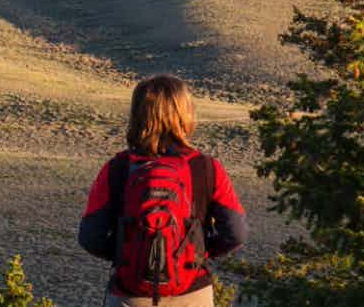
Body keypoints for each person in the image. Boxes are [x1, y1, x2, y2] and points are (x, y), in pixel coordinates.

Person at [78, 75, 248, 306]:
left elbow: (90, 237)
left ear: (136, 115)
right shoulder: (207, 168)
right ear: (185, 114)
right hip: (193, 292)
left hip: (130, 294)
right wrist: (196, 253)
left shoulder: (116, 168)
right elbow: (236, 234)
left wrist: (129, 255)